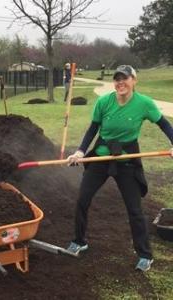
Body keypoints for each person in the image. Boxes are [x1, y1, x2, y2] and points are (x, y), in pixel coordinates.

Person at [66, 65, 173, 272]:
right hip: (101, 155)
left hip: (126, 159)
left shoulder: (144, 104)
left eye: (125, 78)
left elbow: (165, 125)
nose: (120, 82)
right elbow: (93, 129)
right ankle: (79, 241)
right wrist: (80, 151)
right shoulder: (104, 101)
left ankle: (144, 254)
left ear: (134, 80)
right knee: (82, 199)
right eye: (117, 79)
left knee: (134, 209)